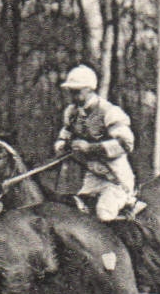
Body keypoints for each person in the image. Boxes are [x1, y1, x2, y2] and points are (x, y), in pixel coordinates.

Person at [54, 64, 139, 221]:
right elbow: (64, 137)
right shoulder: (72, 113)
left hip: (116, 178)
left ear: (89, 89)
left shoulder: (109, 112)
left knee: (103, 214)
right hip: (93, 176)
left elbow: (126, 144)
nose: (73, 95)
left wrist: (90, 148)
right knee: (80, 216)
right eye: (71, 91)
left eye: (77, 91)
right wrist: (64, 145)